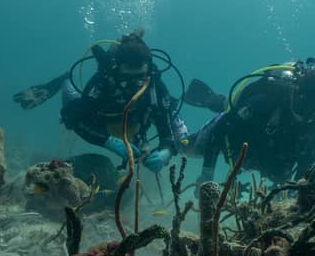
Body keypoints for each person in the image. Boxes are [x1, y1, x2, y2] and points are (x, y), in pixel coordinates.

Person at [13, 31, 188, 173]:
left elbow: (166, 131)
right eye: (128, 78)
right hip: (99, 116)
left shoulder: (155, 86)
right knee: (70, 108)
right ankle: (64, 81)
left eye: (139, 78)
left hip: (134, 122)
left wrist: (166, 152)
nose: (134, 86)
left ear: (148, 68)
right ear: (116, 67)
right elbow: (75, 121)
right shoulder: (103, 82)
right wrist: (107, 141)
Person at [183, 56, 315, 187]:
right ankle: (204, 104)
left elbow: (305, 173)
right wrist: (207, 174)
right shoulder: (264, 102)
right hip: (238, 140)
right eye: (306, 110)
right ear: (296, 98)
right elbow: (220, 129)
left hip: (267, 158)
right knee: (186, 149)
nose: (309, 118)